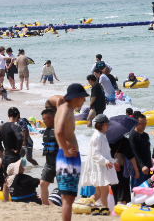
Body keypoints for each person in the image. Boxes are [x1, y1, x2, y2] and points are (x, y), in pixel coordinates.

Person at [54, 84, 88, 221]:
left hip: (66, 157)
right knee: (68, 198)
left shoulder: (65, 109)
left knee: (68, 196)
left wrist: (58, 105)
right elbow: (59, 131)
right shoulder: (66, 109)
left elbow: (62, 127)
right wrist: (66, 151)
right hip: (67, 158)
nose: (84, 101)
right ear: (76, 97)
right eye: (83, 97)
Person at [80, 114, 117, 208]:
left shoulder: (101, 135)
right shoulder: (97, 136)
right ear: (101, 124)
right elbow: (95, 154)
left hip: (100, 168)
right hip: (99, 169)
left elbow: (105, 154)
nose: (108, 125)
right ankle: (104, 211)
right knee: (104, 193)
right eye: (106, 124)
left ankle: (85, 206)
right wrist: (105, 162)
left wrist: (113, 161)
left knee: (99, 193)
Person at [0, 107, 25, 201]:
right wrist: (18, 151)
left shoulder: (3, 127)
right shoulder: (14, 126)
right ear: (18, 115)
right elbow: (20, 139)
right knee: (17, 177)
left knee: (6, 179)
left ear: (8, 115)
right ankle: (18, 198)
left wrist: (2, 149)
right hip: (14, 156)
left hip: (6, 156)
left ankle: (6, 201)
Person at [39, 108, 58, 205]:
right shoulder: (47, 130)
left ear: (51, 117)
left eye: (44, 119)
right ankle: (45, 205)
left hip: (60, 163)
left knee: (62, 187)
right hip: (49, 163)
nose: (43, 121)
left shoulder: (59, 129)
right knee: (43, 183)